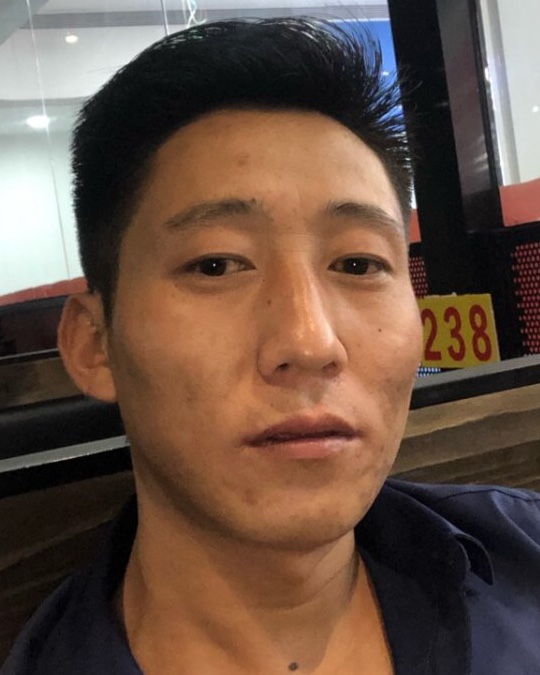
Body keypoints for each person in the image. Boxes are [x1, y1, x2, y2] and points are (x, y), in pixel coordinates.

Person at [2, 17, 539, 675]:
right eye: (217, 265)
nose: (311, 342)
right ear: (94, 343)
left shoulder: (526, 554)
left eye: (358, 263)